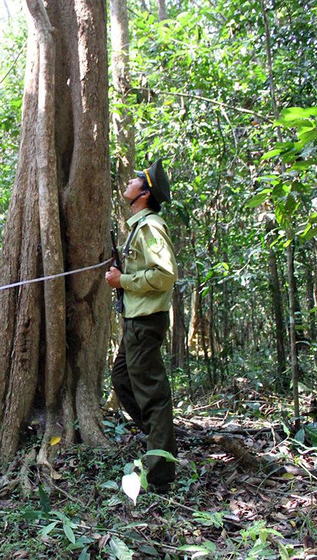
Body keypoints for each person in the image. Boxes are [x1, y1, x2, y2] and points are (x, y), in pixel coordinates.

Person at [104, 158, 178, 494]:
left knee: (152, 394)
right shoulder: (138, 225)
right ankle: (158, 442)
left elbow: (164, 275)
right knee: (122, 379)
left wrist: (124, 280)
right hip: (136, 319)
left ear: (144, 194)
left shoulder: (150, 228)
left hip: (146, 320)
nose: (130, 181)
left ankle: (160, 473)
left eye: (137, 179)